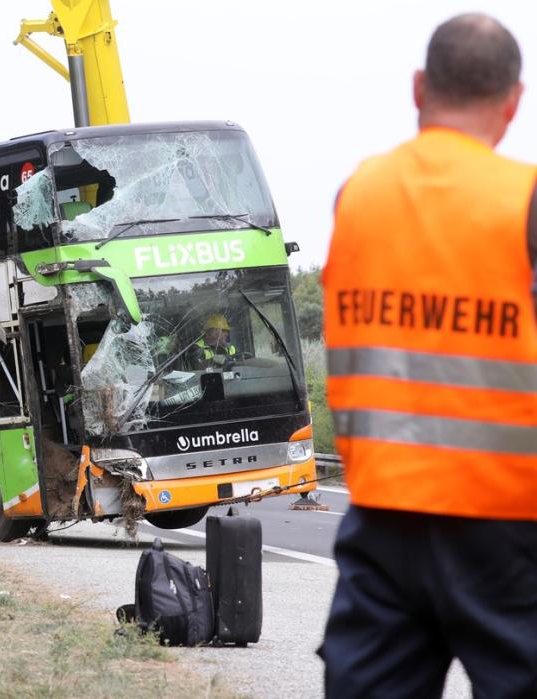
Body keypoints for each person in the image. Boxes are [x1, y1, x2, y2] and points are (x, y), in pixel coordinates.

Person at [320, 13, 537, 698]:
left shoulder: (356, 196)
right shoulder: (524, 201)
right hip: (507, 531)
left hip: (382, 519)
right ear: (514, 100)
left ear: (420, 87)